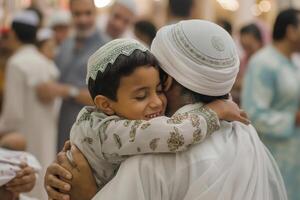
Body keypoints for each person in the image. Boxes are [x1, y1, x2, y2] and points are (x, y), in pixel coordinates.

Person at [45, 20, 287, 200]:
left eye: (157, 85)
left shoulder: (152, 160)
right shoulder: (247, 137)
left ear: (167, 81)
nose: (154, 101)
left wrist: (85, 193)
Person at [66, 38, 249, 189]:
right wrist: (216, 110)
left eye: (160, 90)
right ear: (105, 104)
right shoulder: (107, 132)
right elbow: (171, 134)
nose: (157, 102)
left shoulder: (108, 119)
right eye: (141, 96)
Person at [0, 10, 60, 199]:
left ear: (14, 35)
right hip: (47, 134)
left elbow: (13, 113)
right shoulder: (47, 63)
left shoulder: (17, 63)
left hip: (22, 137)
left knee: (26, 183)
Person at [241, 9, 300, 200]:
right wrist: (294, 119)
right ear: (291, 30)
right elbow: (254, 114)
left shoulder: (296, 61)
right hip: (274, 152)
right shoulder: (263, 63)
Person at [36, 0, 109, 152]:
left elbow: (108, 97)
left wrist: (67, 91)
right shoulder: (66, 44)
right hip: (61, 126)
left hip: (90, 132)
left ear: (95, 13)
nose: (83, 19)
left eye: (87, 13)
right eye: (77, 14)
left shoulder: (106, 47)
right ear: (71, 15)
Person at [231, 23, 264, 104]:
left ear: (259, 42)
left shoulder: (266, 62)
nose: (247, 51)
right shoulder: (243, 60)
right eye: (244, 47)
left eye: (249, 47)